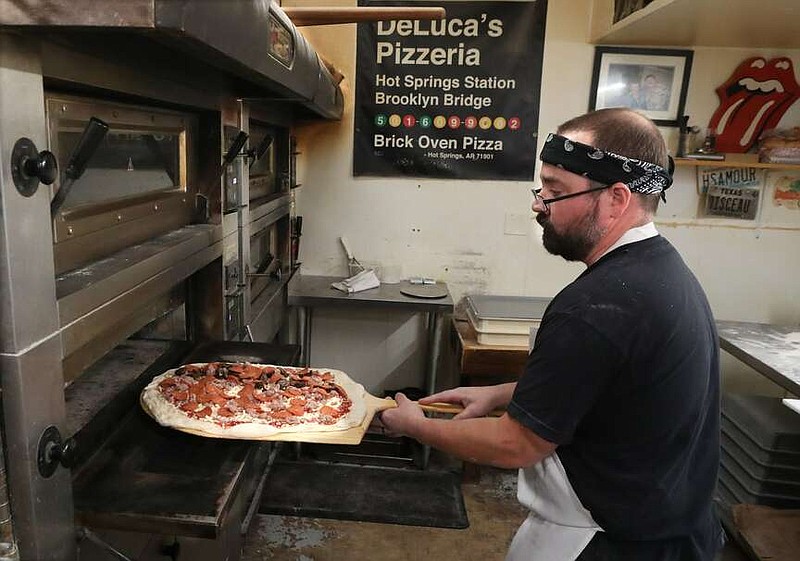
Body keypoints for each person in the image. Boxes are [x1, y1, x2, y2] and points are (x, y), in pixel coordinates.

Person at [378, 108, 724, 561]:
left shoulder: (597, 306)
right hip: (672, 529)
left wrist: (418, 428)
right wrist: (505, 392)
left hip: (609, 542)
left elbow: (516, 444)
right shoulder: (660, 271)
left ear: (617, 199)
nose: (539, 204)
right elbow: (619, 390)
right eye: (541, 187)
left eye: (556, 191)